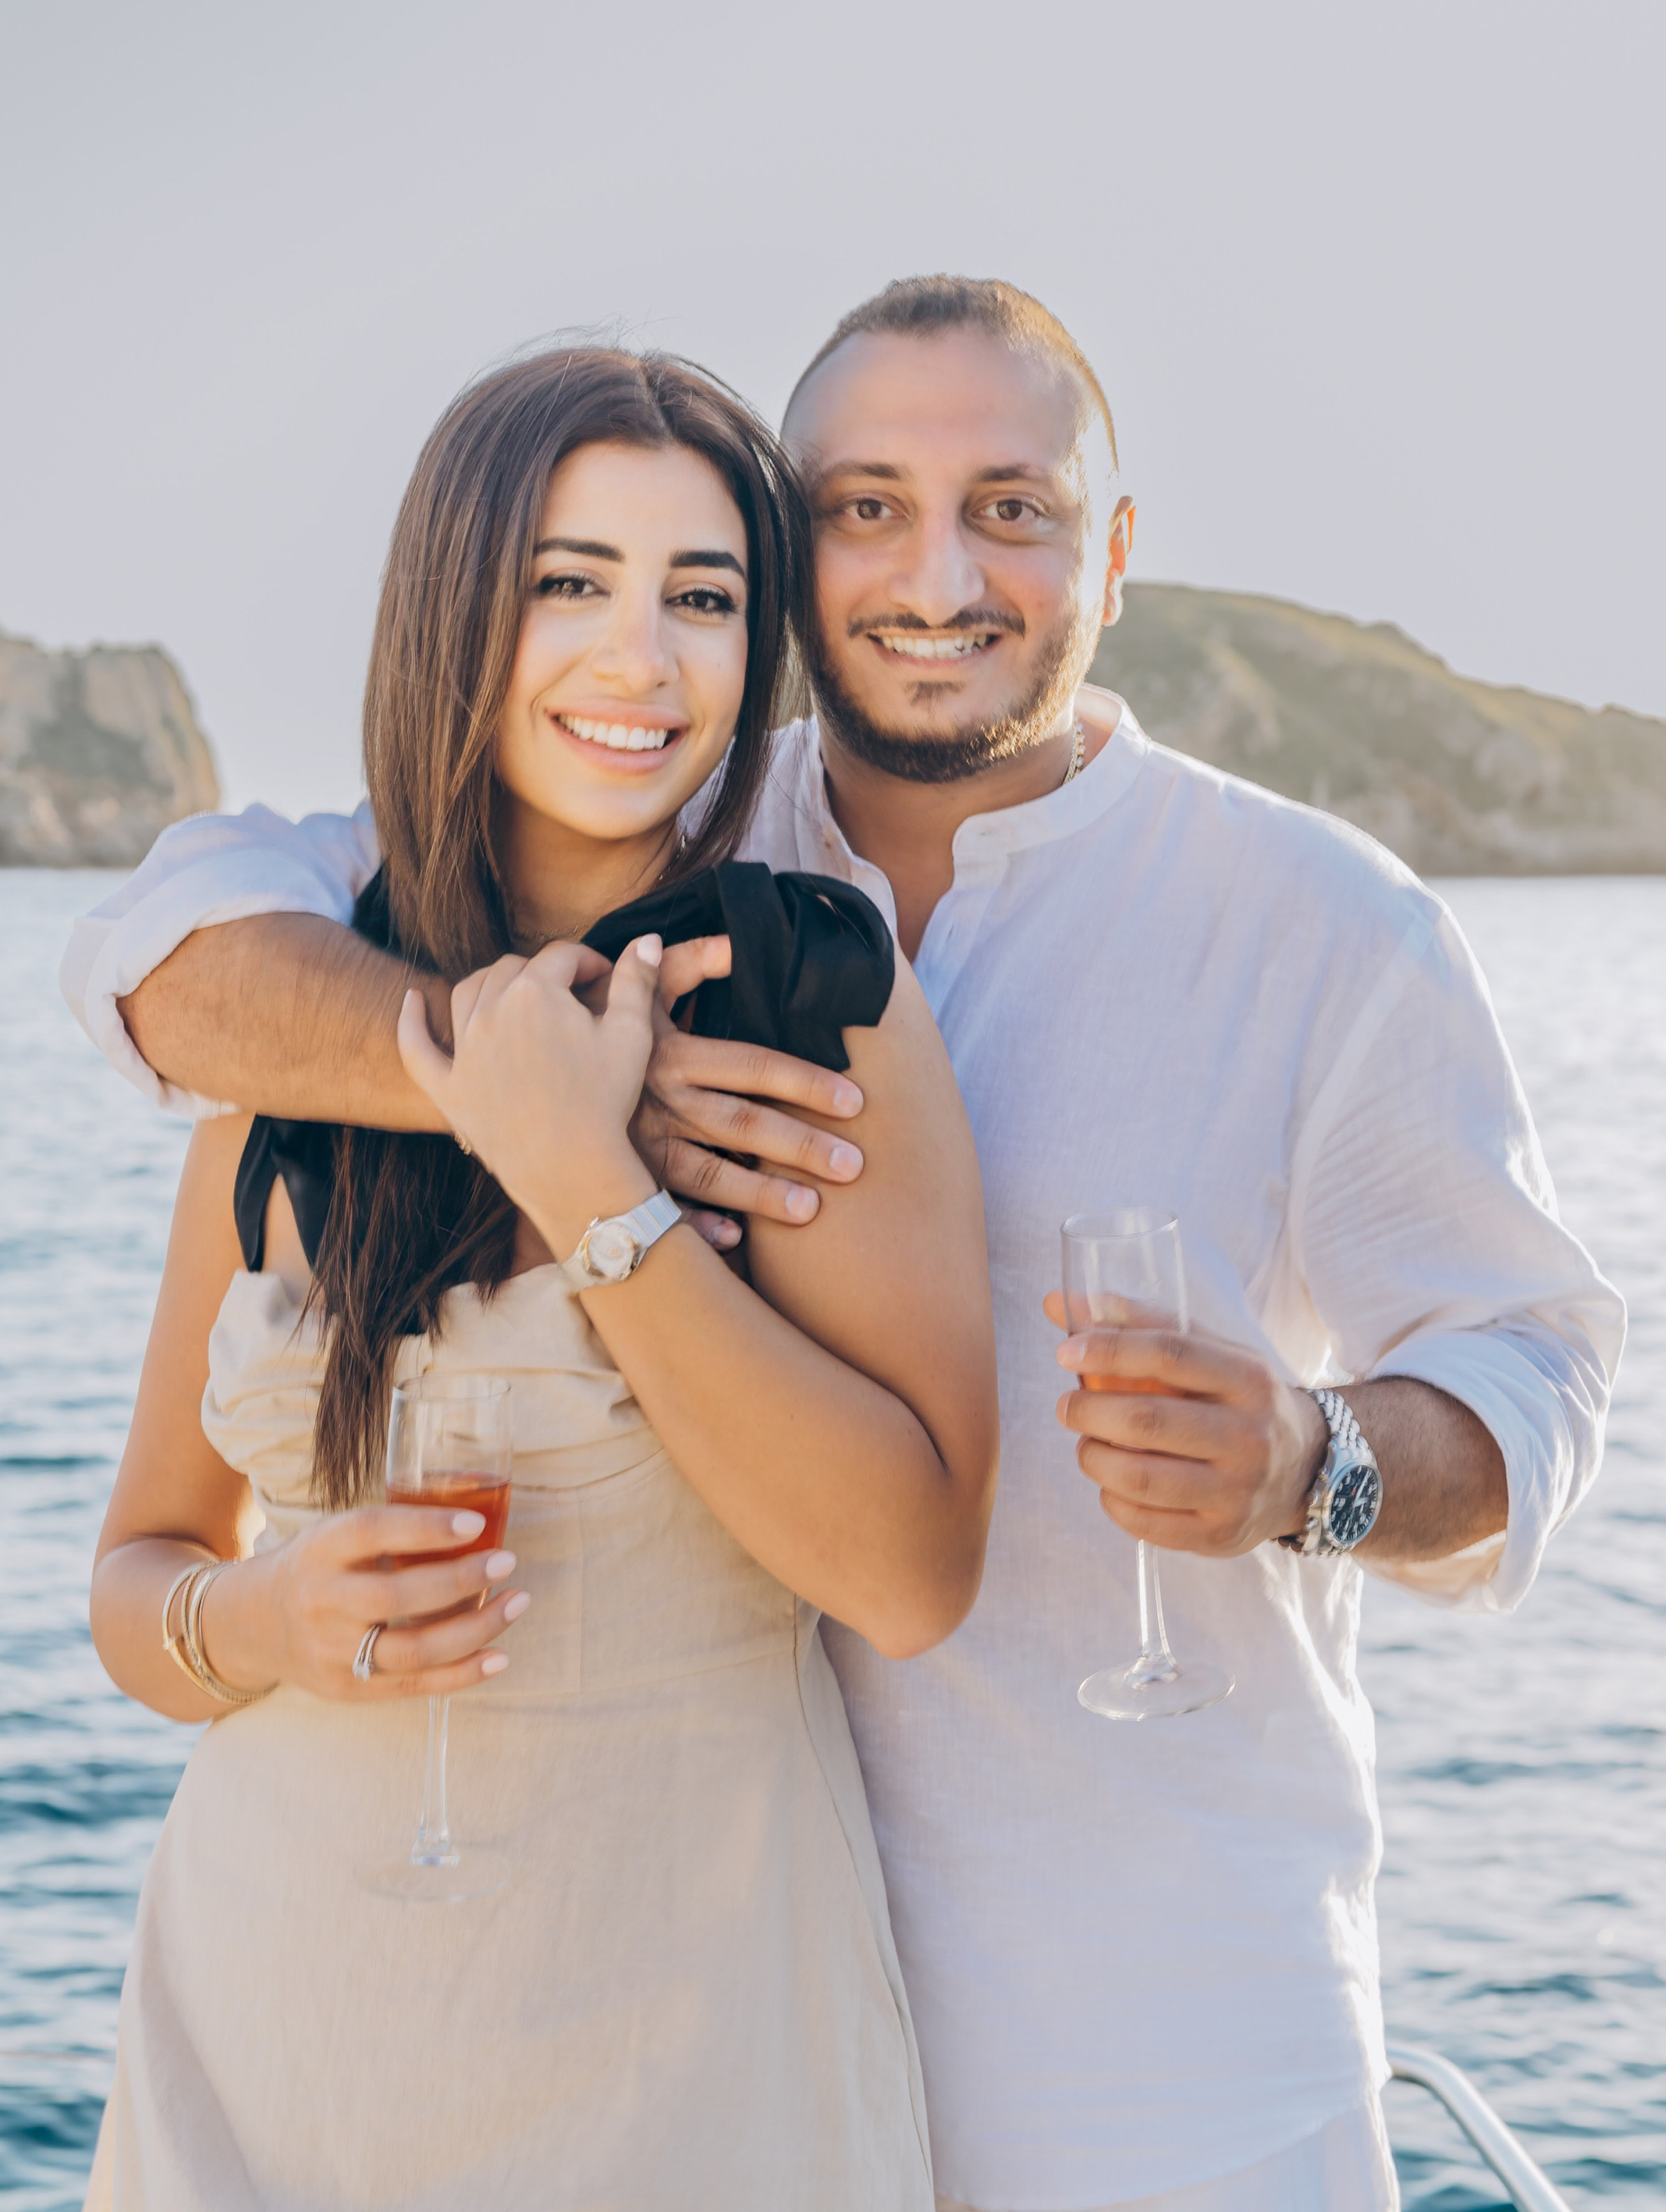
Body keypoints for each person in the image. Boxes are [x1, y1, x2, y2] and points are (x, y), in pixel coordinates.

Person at [69, 279, 1626, 2212]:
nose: (939, 572)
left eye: (1015, 507)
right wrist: (502, 1079)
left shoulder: (1305, 923)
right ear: (802, 558)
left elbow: (1537, 1375)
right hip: (534, 1996)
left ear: (1113, 553)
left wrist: (1321, 1467)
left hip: (1139, 2039)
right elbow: (162, 961)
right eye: (867, 506)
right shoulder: (568, 878)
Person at [80, 347, 998, 2211]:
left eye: (706, 598)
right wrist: (260, 1625)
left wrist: (598, 1193)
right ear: (455, 610)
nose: (641, 660)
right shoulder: (301, 1018)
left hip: (687, 2088)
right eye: (568, 581)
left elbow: (912, 1573)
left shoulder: (811, 1013)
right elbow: (141, 1564)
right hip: (266, 2066)